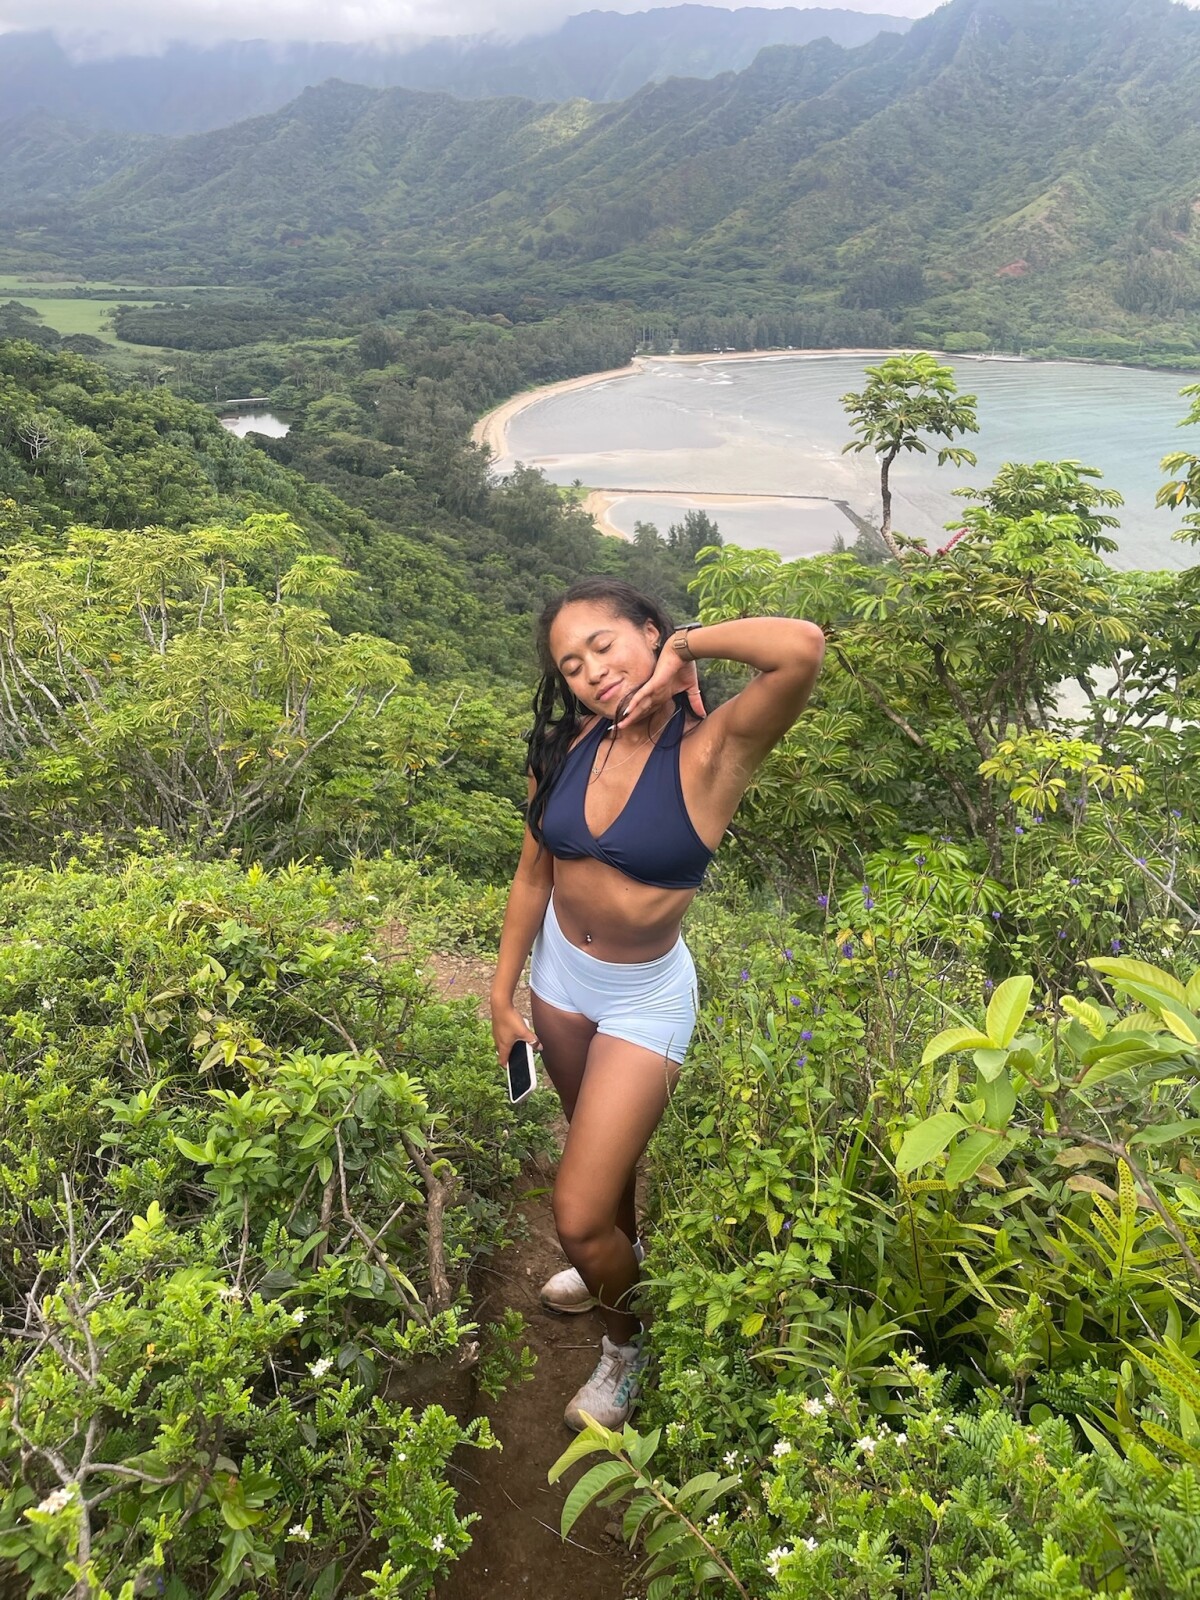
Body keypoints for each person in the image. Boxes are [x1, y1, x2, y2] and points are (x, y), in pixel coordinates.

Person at [489, 577, 825, 1431]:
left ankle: (625, 1346)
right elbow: (533, 874)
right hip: (560, 983)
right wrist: (501, 992)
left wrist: (689, 646)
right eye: (571, 665)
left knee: (576, 1214)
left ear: (647, 633)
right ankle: (619, 1259)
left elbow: (801, 648)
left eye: (603, 646)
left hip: (645, 999)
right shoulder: (563, 746)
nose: (590, 672)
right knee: (599, 1171)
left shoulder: (713, 751)